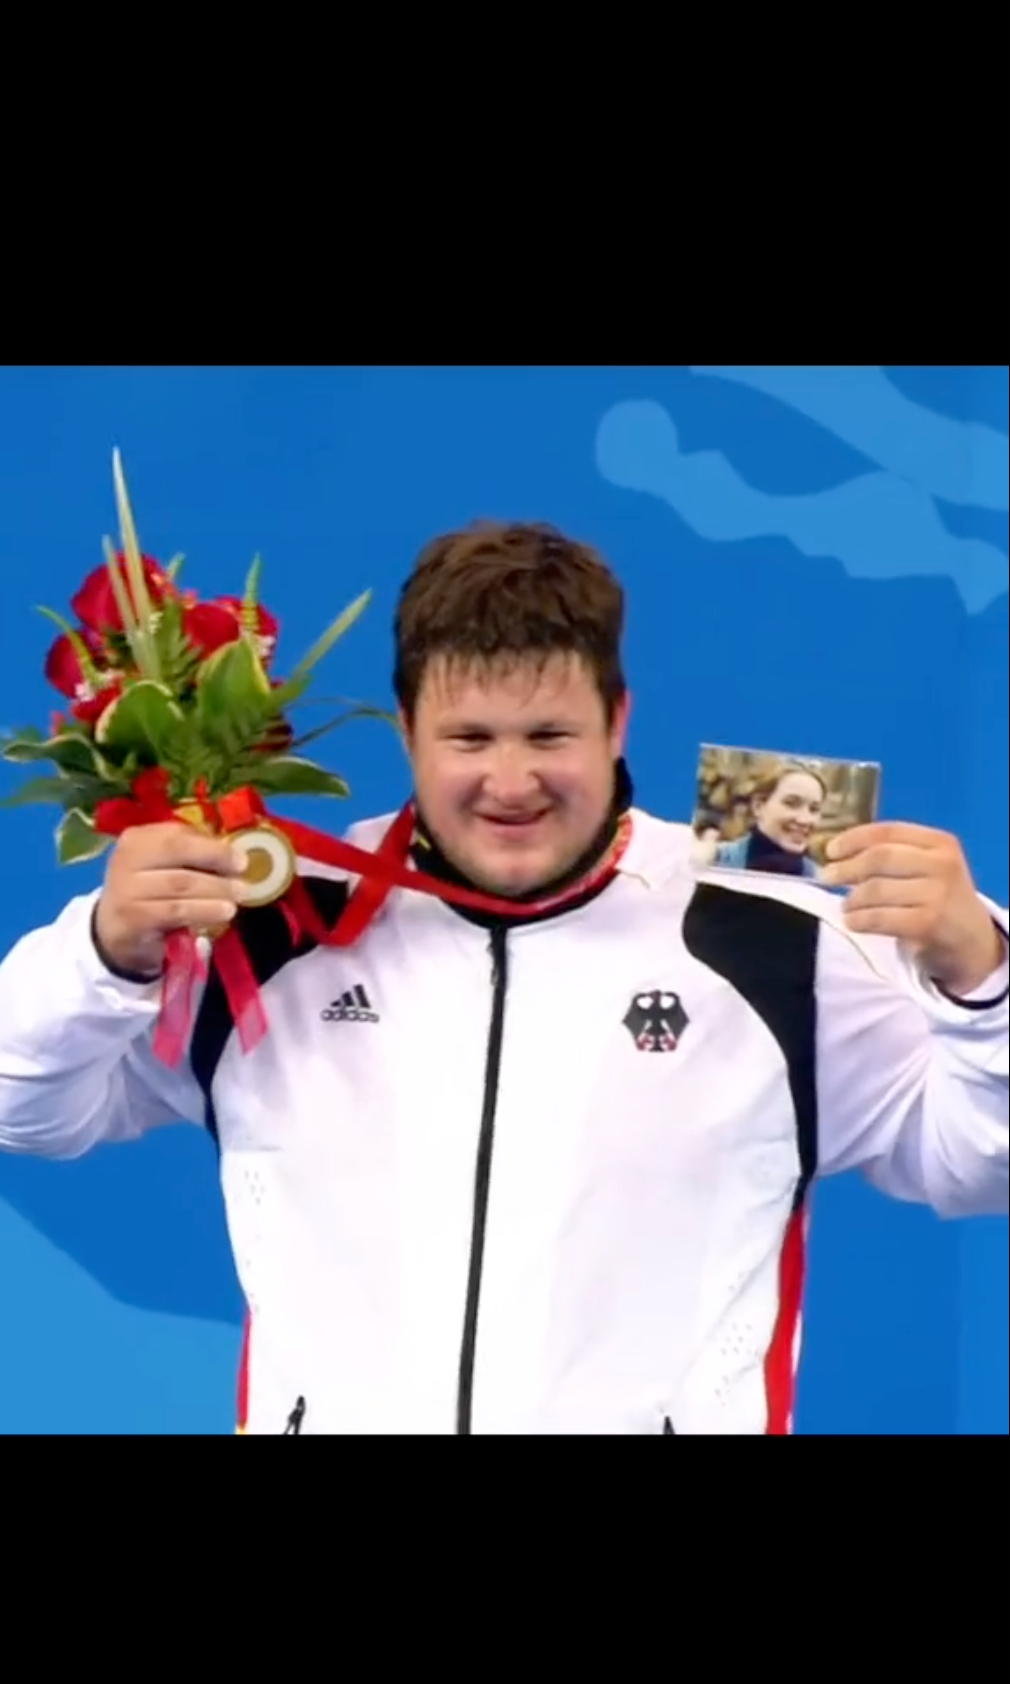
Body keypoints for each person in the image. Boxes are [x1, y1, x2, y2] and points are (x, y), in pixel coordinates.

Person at [0, 520, 1006, 1435]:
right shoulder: (277, 922)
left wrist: (982, 978)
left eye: (549, 736)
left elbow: (976, 1165)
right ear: (405, 729)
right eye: (469, 738)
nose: (511, 783)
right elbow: (25, 1106)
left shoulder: (772, 936)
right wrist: (107, 948)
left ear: (617, 720)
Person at [711, 763, 827, 877]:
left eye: (814, 809)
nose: (804, 819)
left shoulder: (825, 884)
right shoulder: (714, 863)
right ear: (758, 807)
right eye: (791, 803)